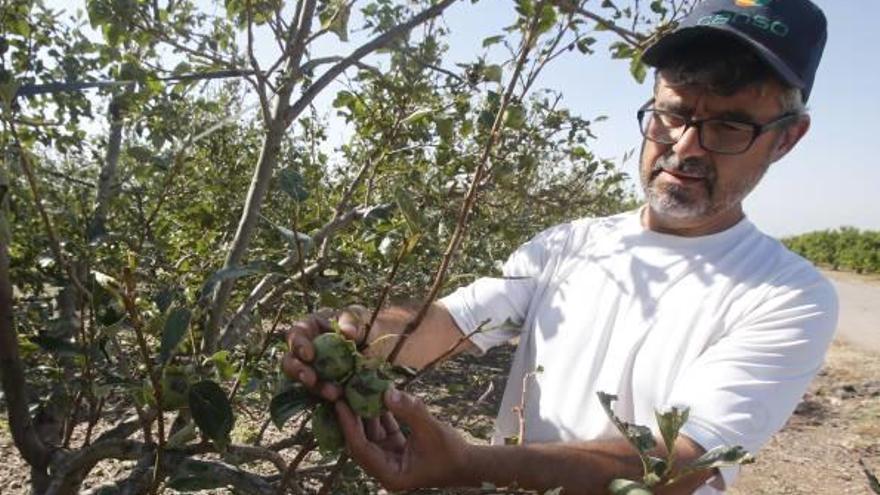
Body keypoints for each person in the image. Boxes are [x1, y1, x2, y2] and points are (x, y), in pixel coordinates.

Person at [281, 0, 836, 493]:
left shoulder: (788, 296)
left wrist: (469, 464)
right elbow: (451, 324)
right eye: (672, 113)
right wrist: (358, 333)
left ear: (788, 137)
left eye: (730, 127)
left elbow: (684, 465)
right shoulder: (571, 244)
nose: (684, 147)